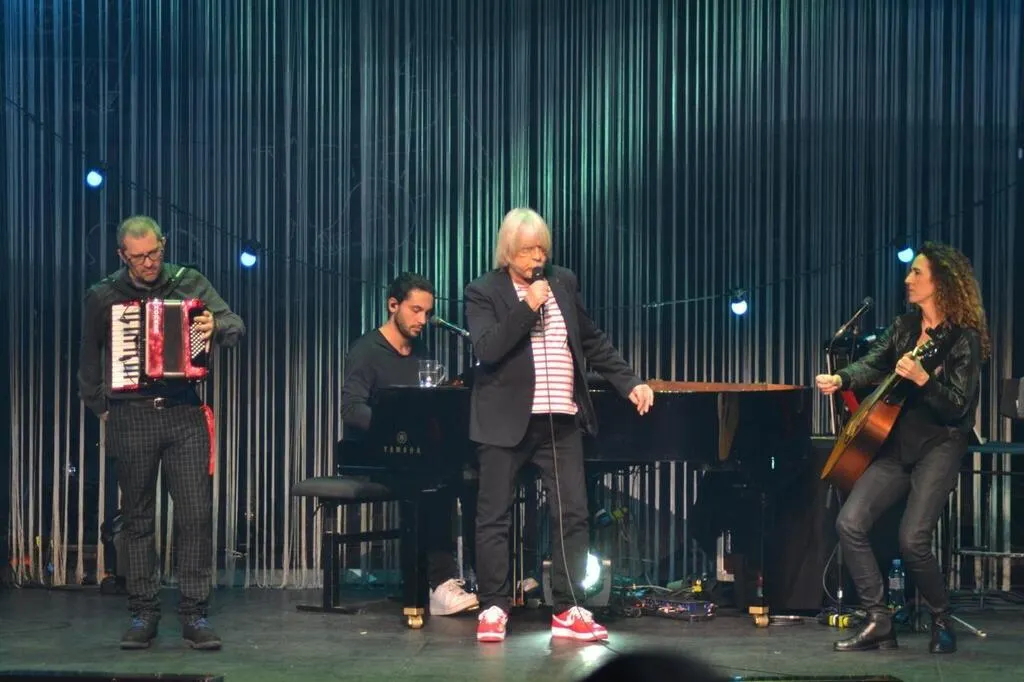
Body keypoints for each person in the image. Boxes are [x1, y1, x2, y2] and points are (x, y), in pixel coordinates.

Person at [464, 208, 655, 643]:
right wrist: (527, 306)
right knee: (494, 515)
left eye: (542, 250)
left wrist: (629, 381)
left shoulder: (563, 282)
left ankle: (568, 608)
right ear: (508, 252)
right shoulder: (483, 291)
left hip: (561, 418)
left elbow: (591, 340)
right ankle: (493, 606)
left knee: (573, 513)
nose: (537, 259)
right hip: (503, 420)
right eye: (528, 251)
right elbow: (488, 349)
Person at [77, 215, 245, 650]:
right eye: (138, 257)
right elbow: (89, 360)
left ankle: (194, 613)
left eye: (153, 253)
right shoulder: (103, 296)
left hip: (184, 412)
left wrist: (215, 326)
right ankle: (143, 613)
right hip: (131, 414)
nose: (148, 263)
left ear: (163, 245)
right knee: (137, 519)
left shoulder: (189, 282)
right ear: (122, 255)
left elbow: (235, 324)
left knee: (195, 516)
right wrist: (102, 408)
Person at [815, 241, 989, 654]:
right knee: (849, 522)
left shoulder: (963, 339)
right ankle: (879, 620)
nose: (908, 279)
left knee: (913, 540)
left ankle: (941, 618)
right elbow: (874, 363)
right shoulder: (905, 327)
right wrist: (841, 378)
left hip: (941, 444)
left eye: (917, 273)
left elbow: (958, 406)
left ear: (941, 282)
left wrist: (924, 378)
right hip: (898, 443)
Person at [340, 272, 479, 617]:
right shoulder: (365, 351)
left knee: (470, 477)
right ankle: (438, 582)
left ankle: (484, 576)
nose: (423, 320)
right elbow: (352, 409)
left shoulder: (421, 353)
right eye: (416, 310)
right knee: (433, 482)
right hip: (376, 453)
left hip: (415, 452)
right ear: (393, 305)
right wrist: (393, 426)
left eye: (427, 313)